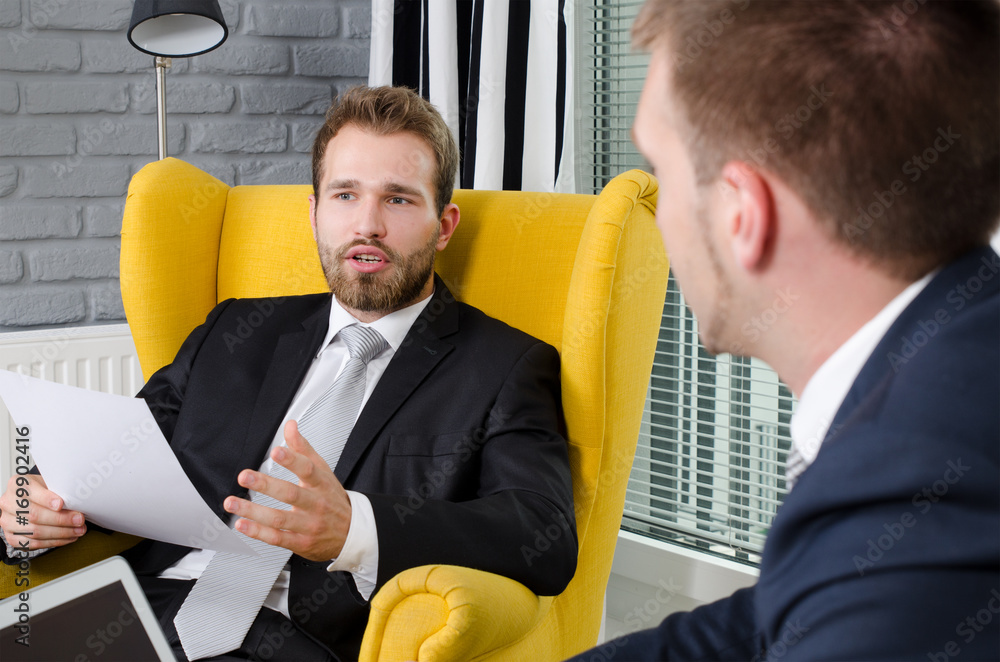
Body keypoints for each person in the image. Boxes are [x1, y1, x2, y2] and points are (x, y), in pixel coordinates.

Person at [0, 85, 577, 661]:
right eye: (345, 194)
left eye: (398, 199)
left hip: (294, 641)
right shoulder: (234, 330)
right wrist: (33, 505)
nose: (367, 225)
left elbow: (540, 535)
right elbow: (122, 451)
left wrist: (356, 528)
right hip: (137, 612)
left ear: (444, 225)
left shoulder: (504, 365)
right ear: (315, 212)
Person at [568, 1, 999, 660]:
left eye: (662, 172)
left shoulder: (920, 500)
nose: (658, 219)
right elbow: (778, 614)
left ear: (744, 212)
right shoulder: (962, 351)